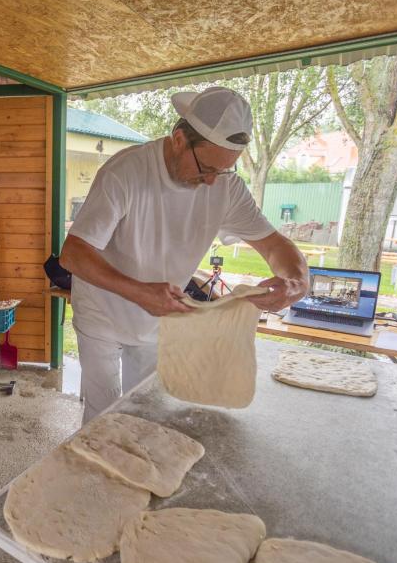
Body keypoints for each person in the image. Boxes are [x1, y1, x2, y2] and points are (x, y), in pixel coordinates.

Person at [60, 87, 309, 424]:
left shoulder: (226, 188)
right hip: (102, 312)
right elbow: (73, 254)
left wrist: (295, 280)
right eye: (206, 167)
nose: (210, 182)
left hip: (159, 315)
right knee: (103, 413)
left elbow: (276, 246)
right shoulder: (126, 173)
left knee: (145, 411)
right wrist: (138, 291)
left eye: (222, 171)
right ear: (179, 139)